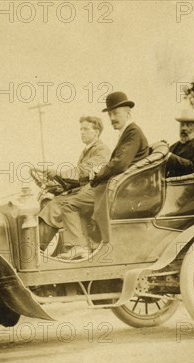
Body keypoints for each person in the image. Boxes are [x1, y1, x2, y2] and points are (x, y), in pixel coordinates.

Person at [57, 91, 149, 260]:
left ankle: (80, 247)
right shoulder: (127, 132)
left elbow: (120, 163)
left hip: (126, 190)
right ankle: (88, 244)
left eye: (116, 113)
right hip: (121, 186)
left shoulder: (133, 132)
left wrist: (98, 175)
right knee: (76, 197)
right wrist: (92, 176)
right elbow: (116, 163)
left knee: (68, 204)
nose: (112, 118)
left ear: (128, 112)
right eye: (110, 114)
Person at [38, 116, 111, 250]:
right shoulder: (87, 151)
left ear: (97, 132)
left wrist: (59, 173)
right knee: (49, 203)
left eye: (86, 129)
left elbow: (84, 170)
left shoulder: (102, 150)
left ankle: (38, 251)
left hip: (95, 193)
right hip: (85, 191)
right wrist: (58, 184)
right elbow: (79, 179)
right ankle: (42, 249)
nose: (82, 132)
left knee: (54, 207)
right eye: (81, 129)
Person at [166, 110, 194, 177]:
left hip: (191, 186)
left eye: (189, 125)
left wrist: (170, 157)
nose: (184, 128)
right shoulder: (173, 146)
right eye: (182, 125)